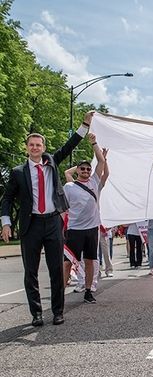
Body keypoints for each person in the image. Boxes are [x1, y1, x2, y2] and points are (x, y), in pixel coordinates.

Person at [0, 111, 93, 326]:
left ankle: (58, 311)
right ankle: (36, 314)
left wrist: (84, 125)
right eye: (31, 145)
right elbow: (6, 199)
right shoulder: (17, 172)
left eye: (38, 145)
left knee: (56, 269)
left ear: (43, 147)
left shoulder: (51, 161)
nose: (35, 148)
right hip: (30, 225)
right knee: (30, 272)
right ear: (27, 148)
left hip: (52, 222)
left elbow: (69, 145)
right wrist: (6, 223)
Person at [62, 134, 106, 304]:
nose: (86, 171)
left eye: (88, 169)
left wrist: (94, 143)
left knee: (90, 261)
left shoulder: (95, 181)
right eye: (83, 169)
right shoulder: (69, 186)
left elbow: (101, 162)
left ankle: (88, 291)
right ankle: (60, 293)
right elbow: (63, 209)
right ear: (78, 171)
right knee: (67, 263)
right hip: (74, 230)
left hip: (91, 230)